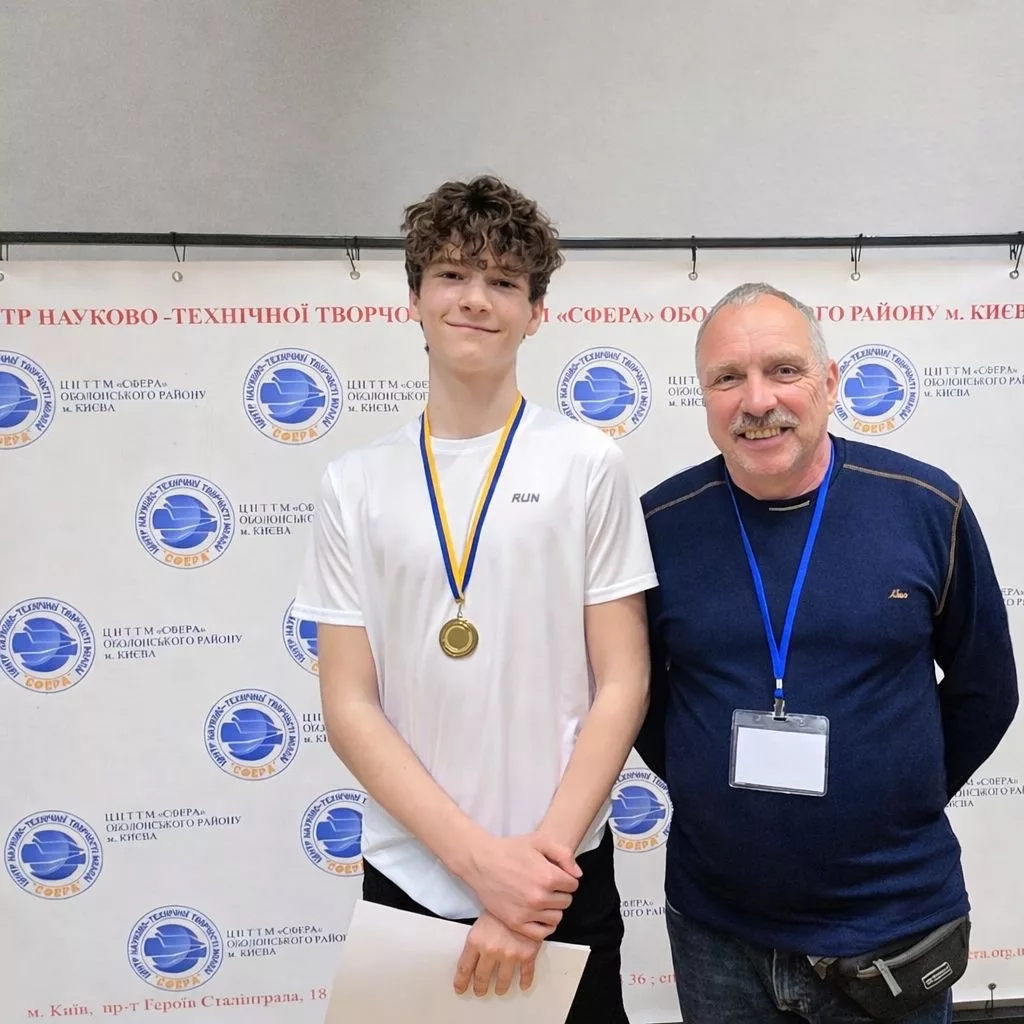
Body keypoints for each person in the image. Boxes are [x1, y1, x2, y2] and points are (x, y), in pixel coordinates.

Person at [292, 175, 657, 1021]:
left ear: (536, 312)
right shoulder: (354, 483)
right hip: (412, 870)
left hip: (561, 873)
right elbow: (348, 704)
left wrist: (531, 875)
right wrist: (480, 866)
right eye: (452, 274)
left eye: (504, 281)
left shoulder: (586, 464)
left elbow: (624, 682)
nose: (476, 298)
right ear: (414, 300)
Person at [637, 282, 1018, 1024]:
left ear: (831, 381)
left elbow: (986, 688)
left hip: (891, 924)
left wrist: (898, 795)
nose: (757, 400)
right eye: (727, 378)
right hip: (718, 929)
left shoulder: (924, 506)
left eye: (783, 370)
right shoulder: (661, 525)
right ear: (704, 395)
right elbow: (639, 695)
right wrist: (708, 784)